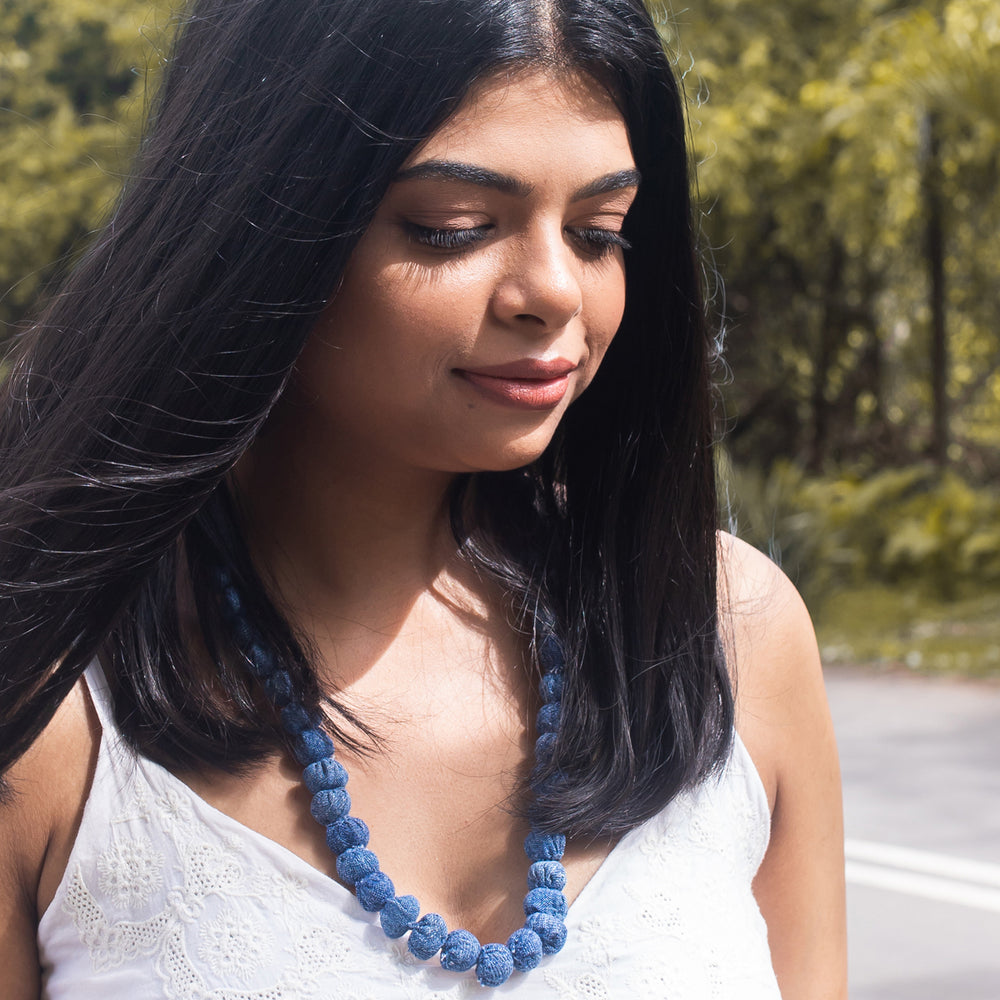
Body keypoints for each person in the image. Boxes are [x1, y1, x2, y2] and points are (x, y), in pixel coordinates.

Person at [0, 0, 846, 996]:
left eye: (597, 231)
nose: (552, 290)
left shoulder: (728, 632)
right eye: (454, 228)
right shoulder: (51, 704)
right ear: (266, 225)